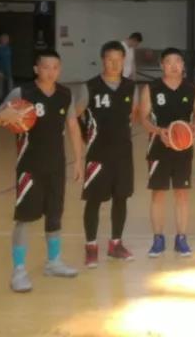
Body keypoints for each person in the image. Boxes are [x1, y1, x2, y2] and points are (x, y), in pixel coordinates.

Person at [0, 49, 84, 293]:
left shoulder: (65, 94)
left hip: (56, 165)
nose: (50, 72)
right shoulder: (22, 93)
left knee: (55, 215)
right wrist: (3, 116)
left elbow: (73, 126)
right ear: (36, 69)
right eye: (45, 67)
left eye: (55, 67)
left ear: (60, 70)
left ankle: (54, 262)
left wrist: (79, 160)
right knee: (24, 218)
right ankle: (19, 270)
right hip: (29, 167)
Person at [76, 41, 140, 268]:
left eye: (118, 59)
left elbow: (133, 115)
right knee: (93, 200)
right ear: (102, 60)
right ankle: (91, 246)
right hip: (98, 154)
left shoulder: (131, 87)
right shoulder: (90, 86)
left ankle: (115, 244)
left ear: (124, 60)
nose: (114, 64)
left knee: (121, 198)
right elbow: (75, 115)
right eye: (109, 59)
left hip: (123, 154)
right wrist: (85, 136)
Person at [138, 47, 195, 258]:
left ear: (183, 65)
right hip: (158, 148)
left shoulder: (192, 87)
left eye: (178, 61)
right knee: (158, 194)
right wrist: (158, 131)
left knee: (182, 193)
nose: (174, 66)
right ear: (162, 65)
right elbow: (143, 117)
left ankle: (181, 239)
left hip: (184, 148)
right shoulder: (151, 88)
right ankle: (158, 239)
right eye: (169, 62)